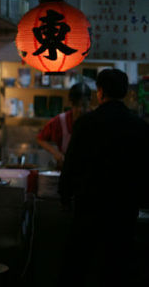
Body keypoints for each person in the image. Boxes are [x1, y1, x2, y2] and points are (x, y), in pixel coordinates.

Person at [59, 69, 149, 287]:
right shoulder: (140, 126)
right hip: (123, 210)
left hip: (88, 205)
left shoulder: (86, 123)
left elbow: (71, 163)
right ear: (126, 92)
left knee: (80, 265)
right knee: (115, 267)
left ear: (99, 92)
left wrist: (65, 194)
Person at [37, 83, 91, 168]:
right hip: (66, 168)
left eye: (84, 105)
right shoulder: (61, 120)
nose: (80, 109)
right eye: (76, 105)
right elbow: (40, 138)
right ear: (70, 103)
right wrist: (56, 153)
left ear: (89, 103)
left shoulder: (94, 120)